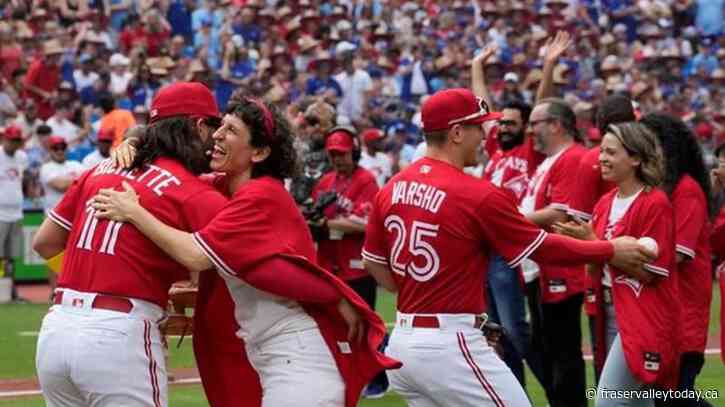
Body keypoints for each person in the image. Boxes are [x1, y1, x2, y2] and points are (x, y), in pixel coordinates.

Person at [92, 93, 400, 407]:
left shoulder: (261, 195)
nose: (217, 135)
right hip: (274, 354)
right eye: (220, 126)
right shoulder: (228, 186)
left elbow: (195, 255)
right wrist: (136, 143)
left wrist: (133, 211)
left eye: (231, 131)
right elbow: (181, 177)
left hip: (299, 356)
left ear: (260, 151)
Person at [361, 88, 656, 407]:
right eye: (479, 127)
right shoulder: (476, 193)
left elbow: (374, 262)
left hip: (404, 343)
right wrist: (609, 250)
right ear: (457, 132)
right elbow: (543, 248)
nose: (485, 135)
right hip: (449, 344)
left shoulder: (392, 186)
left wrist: (419, 297)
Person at [31, 82, 238, 407]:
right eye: (214, 127)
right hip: (120, 334)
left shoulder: (98, 169)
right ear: (199, 126)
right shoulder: (194, 192)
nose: (215, 140)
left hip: (56, 329)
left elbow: (44, 243)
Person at [554, 122, 681, 406]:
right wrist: (584, 246)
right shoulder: (604, 203)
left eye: (611, 152)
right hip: (609, 309)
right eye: (601, 152)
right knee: (637, 403)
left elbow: (650, 275)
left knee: (608, 400)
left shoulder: (654, 203)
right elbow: (592, 267)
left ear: (635, 158)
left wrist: (595, 243)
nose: (601, 158)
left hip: (642, 314)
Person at [640, 113, 713, 407]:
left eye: (648, 146)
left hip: (683, 315)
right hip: (662, 314)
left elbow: (678, 255)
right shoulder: (660, 190)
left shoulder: (686, 190)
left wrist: (622, 254)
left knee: (674, 399)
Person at [520, 97, 589, 406]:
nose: (529, 130)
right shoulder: (549, 160)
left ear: (556, 125)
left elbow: (560, 214)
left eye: (535, 124)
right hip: (541, 268)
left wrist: (508, 223)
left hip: (561, 269)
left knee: (562, 349)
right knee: (544, 345)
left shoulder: (572, 158)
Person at [311, 125, 388, 398]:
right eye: (333, 154)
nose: (337, 159)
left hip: (356, 266)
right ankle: (350, 373)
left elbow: (366, 223)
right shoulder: (325, 181)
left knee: (364, 325)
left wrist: (328, 224)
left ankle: (378, 378)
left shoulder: (366, 180)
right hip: (328, 264)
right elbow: (312, 215)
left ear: (353, 152)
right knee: (338, 326)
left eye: (342, 153)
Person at [567, 94, 636, 382]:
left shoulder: (589, 161)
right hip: (616, 273)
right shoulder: (592, 164)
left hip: (611, 277)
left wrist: (596, 249)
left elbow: (577, 224)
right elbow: (579, 224)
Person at [0, 126, 27, 301]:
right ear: (4, 139)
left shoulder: (21, 157)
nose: (14, 143)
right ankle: (2, 290)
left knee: (12, 255)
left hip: (16, 212)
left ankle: (10, 291)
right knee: (0, 255)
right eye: (11, 140)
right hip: (0, 213)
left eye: (17, 140)